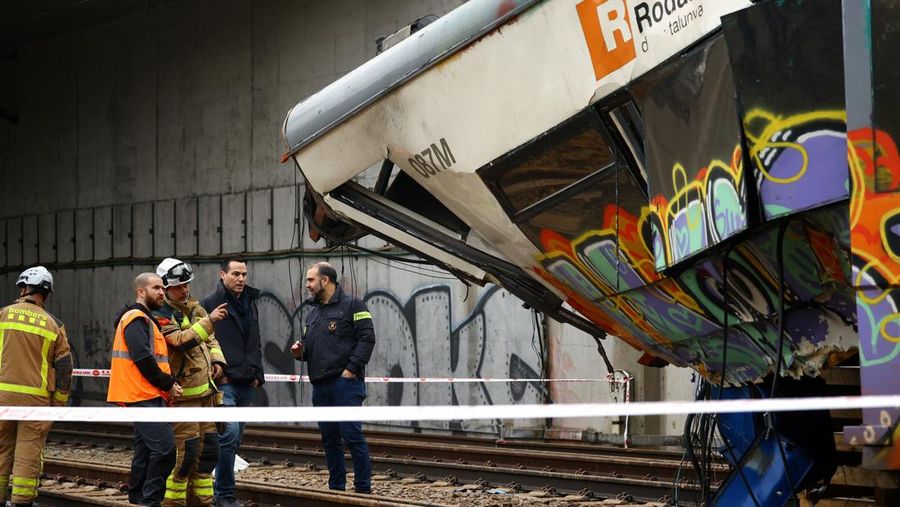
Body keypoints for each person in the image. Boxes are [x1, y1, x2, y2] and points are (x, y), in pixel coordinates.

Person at [290, 262, 375, 494]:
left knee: (352, 437)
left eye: (310, 280)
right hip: (321, 386)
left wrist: (351, 370)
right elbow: (312, 349)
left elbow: (367, 339)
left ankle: (362, 488)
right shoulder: (313, 313)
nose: (307, 285)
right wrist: (300, 353)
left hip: (344, 384)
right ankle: (336, 487)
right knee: (329, 440)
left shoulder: (353, 305)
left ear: (325, 280)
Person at [153, 258, 228, 507]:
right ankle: (174, 503)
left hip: (206, 394)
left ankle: (203, 502)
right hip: (183, 399)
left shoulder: (195, 308)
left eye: (186, 284)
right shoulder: (160, 314)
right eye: (179, 286)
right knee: (185, 456)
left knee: (208, 453)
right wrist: (210, 321)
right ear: (164, 287)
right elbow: (179, 341)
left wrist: (218, 362)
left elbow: (212, 340)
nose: (185, 290)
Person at [0, 267, 72, 507]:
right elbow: (64, 369)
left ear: (23, 289)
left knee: (0, 451)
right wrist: (58, 404)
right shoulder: (54, 324)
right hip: (36, 402)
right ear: (46, 294)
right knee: (28, 453)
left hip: (1, 399)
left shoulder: (2, 315)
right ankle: (21, 501)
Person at [108, 272, 182, 507]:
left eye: (162, 288)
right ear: (141, 291)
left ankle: (138, 498)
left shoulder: (146, 319)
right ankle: (151, 501)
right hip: (142, 395)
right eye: (156, 288)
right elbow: (142, 357)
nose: (162, 292)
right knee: (165, 449)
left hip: (147, 394)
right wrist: (167, 384)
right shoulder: (136, 318)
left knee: (145, 452)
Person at [200, 257, 264, 507]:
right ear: (222, 275)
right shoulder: (209, 304)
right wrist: (219, 371)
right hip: (224, 381)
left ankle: (216, 487)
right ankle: (224, 495)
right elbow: (203, 340)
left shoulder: (250, 302)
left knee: (234, 440)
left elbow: (255, 339)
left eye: (244, 274)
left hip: (247, 380)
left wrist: (259, 373)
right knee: (229, 436)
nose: (241, 279)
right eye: (236, 274)